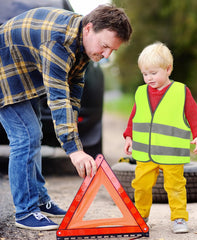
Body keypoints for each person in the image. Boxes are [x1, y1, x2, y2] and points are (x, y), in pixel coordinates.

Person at [0, 5, 132, 230]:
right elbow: (58, 98)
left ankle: (40, 201)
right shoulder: (59, 42)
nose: (107, 55)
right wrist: (73, 150)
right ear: (89, 29)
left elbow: (73, 96)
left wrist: (77, 145)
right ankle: (25, 212)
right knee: (25, 136)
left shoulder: (83, 43)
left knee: (35, 134)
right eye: (105, 46)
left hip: (23, 71)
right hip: (5, 69)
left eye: (113, 50)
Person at [123, 42, 197, 234]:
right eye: (145, 74)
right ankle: (140, 216)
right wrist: (129, 136)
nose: (148, 78)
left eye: (153, 73)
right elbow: (134, 117)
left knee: (175, 187)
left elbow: (194, 116)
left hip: (172, 154)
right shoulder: (140, 92)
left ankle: (179, 218)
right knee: (141, 186)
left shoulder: (180, 91)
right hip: (145, 154)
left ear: (168, 69)